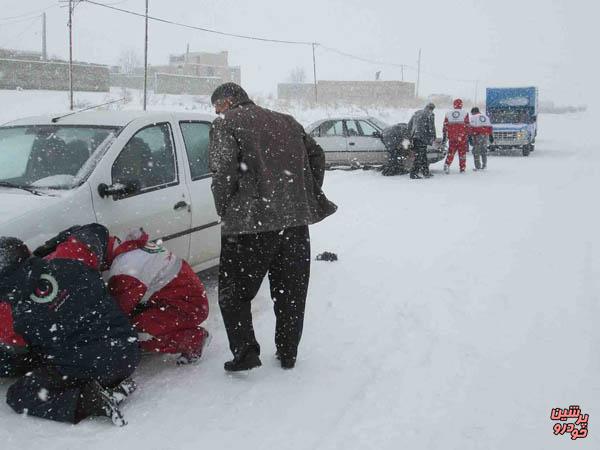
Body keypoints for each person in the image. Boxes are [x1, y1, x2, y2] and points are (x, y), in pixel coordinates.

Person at [208, 82, 337, 372]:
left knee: (233, 293)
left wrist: (225, 208)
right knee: (291, 291)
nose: (216, 112)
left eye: (216, 107)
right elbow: (317, 155)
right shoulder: (287, 121)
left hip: (249, 225)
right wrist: (304, 192)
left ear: (226, 102)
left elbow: (223, 172)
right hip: (293, 223)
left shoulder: (226, 124)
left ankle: (245, 353)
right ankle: (288, 352)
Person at [0, 233, 140, 426]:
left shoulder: (10, 312)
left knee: (19, 394)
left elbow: (15, 351)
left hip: (97, 366)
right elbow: (96, 231)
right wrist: (54, 243)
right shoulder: (70, 260)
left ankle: (91, 401)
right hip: (128, 348)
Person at [106, 228, 210, 365]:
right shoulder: (134, 248)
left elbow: (119, 314)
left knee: (135, 333)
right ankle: (175, 329)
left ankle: (195, 340)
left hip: (187, 306)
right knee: (135, 320)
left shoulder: (124, 270)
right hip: (188, 299)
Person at [407, 103, 437, 179]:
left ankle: (425, 172)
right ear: (432, 109)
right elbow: (431, 127)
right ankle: (413, 173)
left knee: (422, 155)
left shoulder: (417, 113)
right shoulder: (430, 114)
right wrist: (433, 137)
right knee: (420, 156)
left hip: (415, 137)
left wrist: (410, 136)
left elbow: (409, 125)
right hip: (423, 137)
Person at [443, 98, 470, 174]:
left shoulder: (448, 114)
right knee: (462, 154)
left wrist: (445, 136)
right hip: (462, 137)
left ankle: (447, 164)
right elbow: (467, 125)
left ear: (454, 104)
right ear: (461, 104)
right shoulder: (465, 113)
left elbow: (445, 126)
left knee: (451, 152)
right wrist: (468, 135)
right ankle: (462, 168)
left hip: (452, 137)